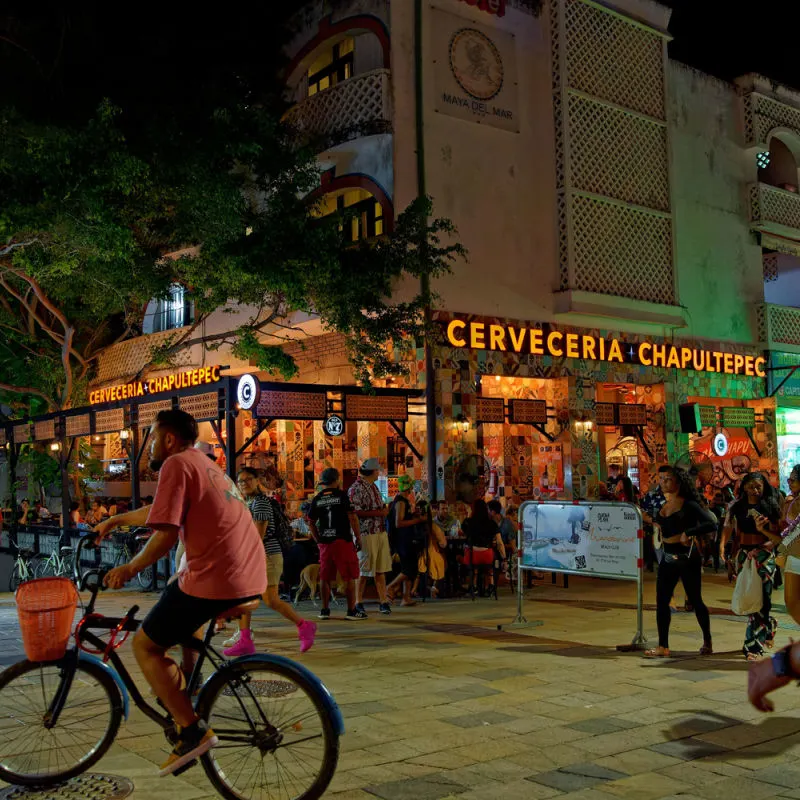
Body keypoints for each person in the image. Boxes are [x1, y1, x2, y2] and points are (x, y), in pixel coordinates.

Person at [99, 409, 266, 776]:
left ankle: (191, 732)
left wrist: (130, 568)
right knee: (172, 619)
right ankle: (183, 699)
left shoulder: (175, 465)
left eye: (154, 438)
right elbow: (159, 511)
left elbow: (167, 533)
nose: (150, 447)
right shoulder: (204, 464)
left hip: (215, 576)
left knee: (144, 645)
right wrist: (116, 519)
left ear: (169, 439)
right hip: (246, 573)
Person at [222, 467, 316, 656]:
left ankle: (304, 626)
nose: (244, 483)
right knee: (247, 598)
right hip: (256, 555)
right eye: (241, 481)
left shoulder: (260, 503)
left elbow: (257, 536)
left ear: (258, 481)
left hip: (266, 555)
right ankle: (245, 639)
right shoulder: (247, 502)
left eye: (249, 479)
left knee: (270, 599)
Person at [643, 465, 716, 658]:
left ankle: (707, 639)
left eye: (668, 479)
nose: (663, 482)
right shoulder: (663, 504)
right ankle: (663, 646)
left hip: (686, 556)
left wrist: (688, 532)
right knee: (662, 601)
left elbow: (711, 523)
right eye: (661, 478)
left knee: (695, 600)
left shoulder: (689, 504)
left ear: (678, 482)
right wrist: (651, 521)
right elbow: (662, 525)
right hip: (667, 556)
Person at [721, 472, 783, 660]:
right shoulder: (736, 507)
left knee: (761, 600)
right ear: (744, 487)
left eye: (759, 486)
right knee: (750, 598)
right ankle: (769, 625)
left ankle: (752, 646)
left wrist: (762, 532)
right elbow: (728, 527)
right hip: (743, 556)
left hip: (764, 556)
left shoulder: (771, 506)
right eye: (751, 486)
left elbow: (778, 537)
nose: (755, 490)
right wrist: (722, 546)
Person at [307, 467, 365, 620]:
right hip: (342, 541)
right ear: (336, 480)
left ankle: (324, 610)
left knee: (325, 577)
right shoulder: (342, 496)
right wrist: (358, 537)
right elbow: (352, 517)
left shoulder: (317, 499)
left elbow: (310, 522)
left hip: (325, 544)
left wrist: (318, 539)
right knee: (349, 576)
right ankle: (351, 611)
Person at [349, 458, 392, 615]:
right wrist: (380, 513)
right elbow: (355, 511)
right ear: (373, 471)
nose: (379, 473)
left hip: (379, 531)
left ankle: (383, 600)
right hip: (366, 532)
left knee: (380, 568)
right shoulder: (356, 488)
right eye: (377, 471)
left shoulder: (373, 487)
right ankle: (358, 601)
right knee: (364, 569)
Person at [386, 475, 425, 606]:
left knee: (409, 569)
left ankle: (406, 597)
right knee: (409, 569)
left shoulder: (402, 501)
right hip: (403, 540)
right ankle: (390, 587)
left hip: (405, 539)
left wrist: (413, 516)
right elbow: (399, 522)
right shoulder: (401, 502)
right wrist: (417, 520)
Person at [461, 499, 506, 593]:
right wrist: (504, 558)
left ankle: (473, 586)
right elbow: (499, 542)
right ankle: (491, 585)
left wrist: (469, 516)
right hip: (487, 556)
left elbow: (465, 534)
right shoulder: (492, 523)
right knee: (489, 565)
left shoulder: (468, 522)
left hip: (472, 556)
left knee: (467, 560)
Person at [415, 500, 448, 598]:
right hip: (429, 555)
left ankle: (425, 587)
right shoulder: (432, 525)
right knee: (443, 561)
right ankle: (434, 586)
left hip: (415, 555)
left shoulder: (413, 524)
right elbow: (443, 543)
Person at [781, 465, 800, 626]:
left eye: (794, 479)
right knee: (791, 603)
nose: (790, 482)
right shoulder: (792, 501)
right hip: (793, 557)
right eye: (789, 479)